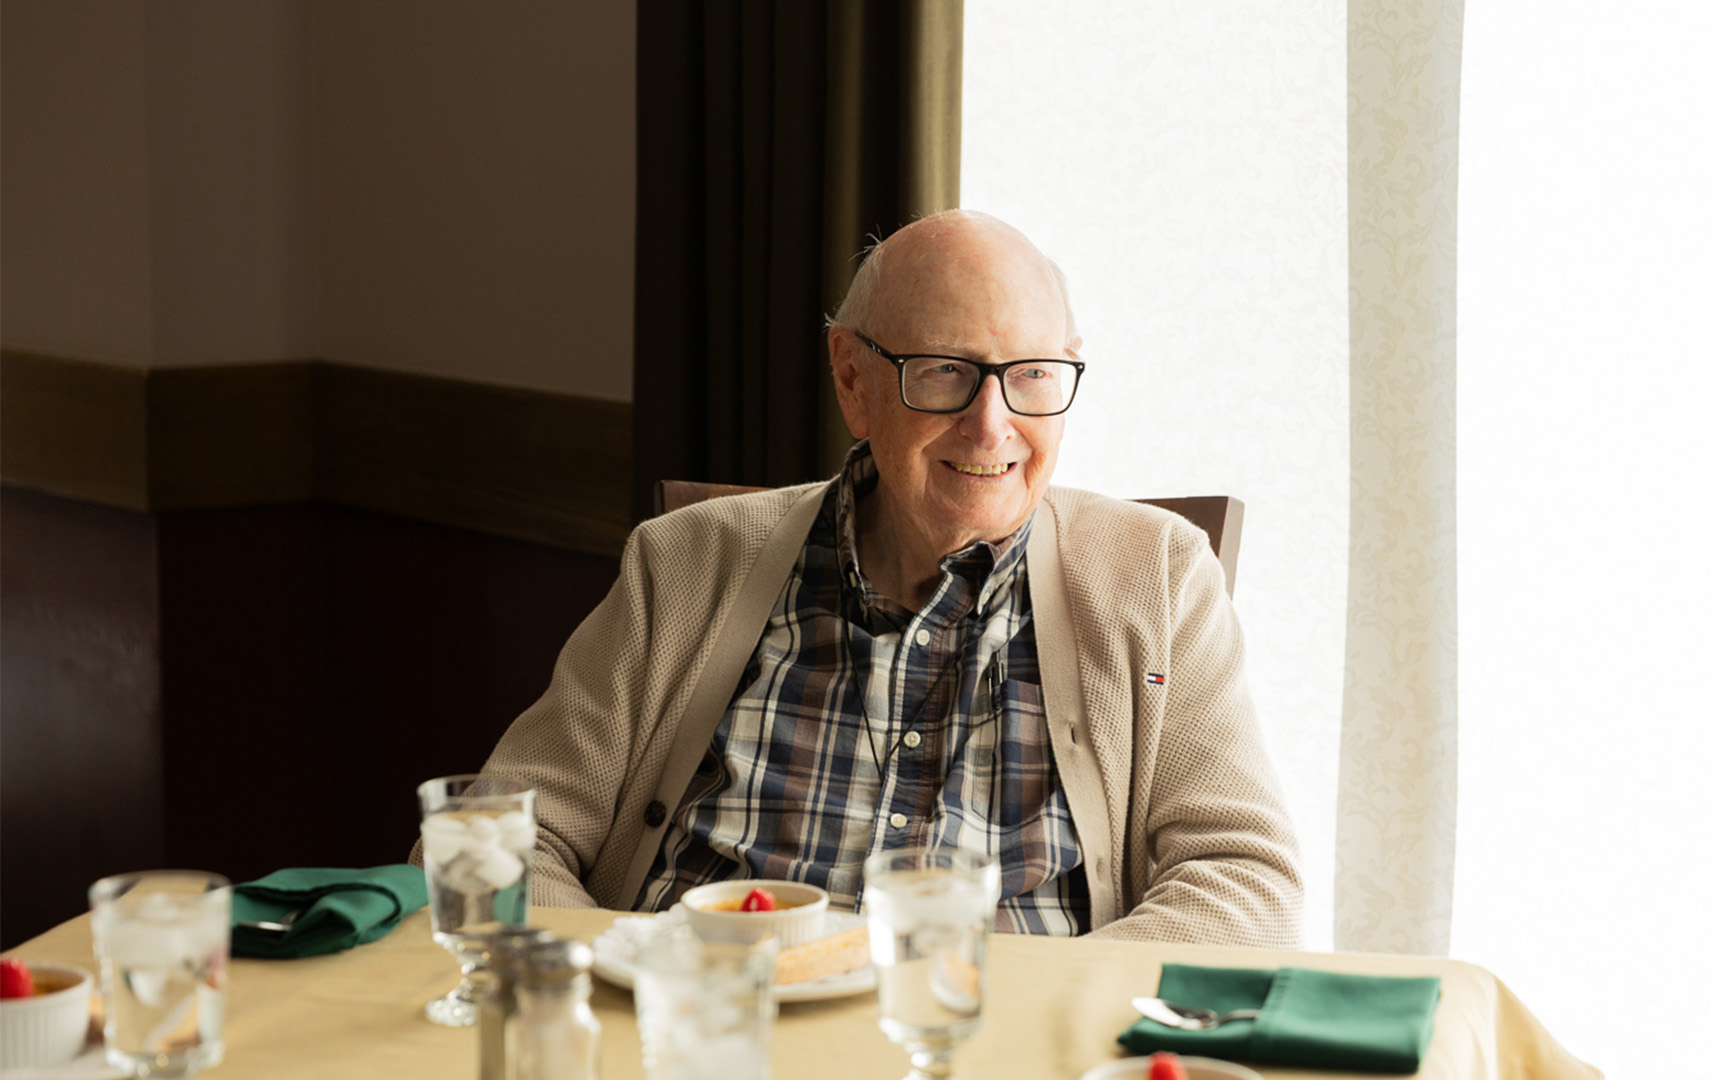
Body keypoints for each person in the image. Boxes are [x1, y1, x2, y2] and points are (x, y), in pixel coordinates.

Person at [473, 210, 1302, 947]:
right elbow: (497, 841)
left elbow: (1246, 881)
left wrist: (1046, 1011)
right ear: (853, 380)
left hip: (996, 1044)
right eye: (944, 370)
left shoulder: (1157, 577)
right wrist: (621, 985)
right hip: (711, 1026)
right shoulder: (685, 563)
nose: (992, 425)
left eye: (1031, 373)